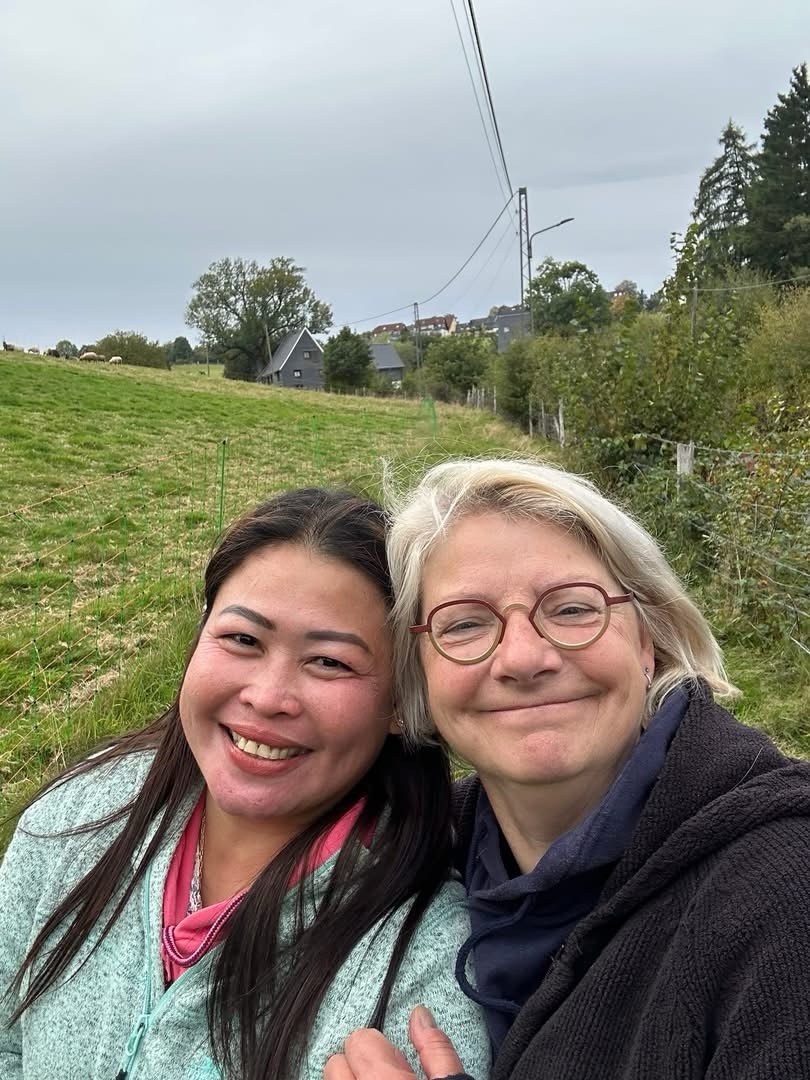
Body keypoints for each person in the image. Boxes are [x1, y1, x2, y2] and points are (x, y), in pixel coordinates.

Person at [325, 458, 810, 1080]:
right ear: (418, 676)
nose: (523, 658)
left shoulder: (785, 889)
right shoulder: (413, 854)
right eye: (465, 623)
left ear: (646, 642)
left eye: (573, 609)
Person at [0, 488, 491, 1080]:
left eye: (329, 662)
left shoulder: (428, 971)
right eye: (243, 640)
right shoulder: (75, 817)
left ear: (400, 704)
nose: (267, 697)